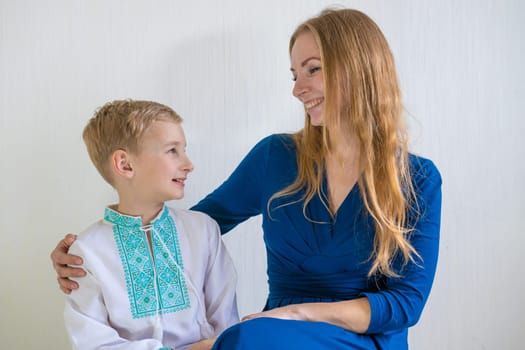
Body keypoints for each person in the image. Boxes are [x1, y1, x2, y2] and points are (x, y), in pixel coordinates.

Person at [52, 8, 441, 350]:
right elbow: (195, 229)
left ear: (358, 69)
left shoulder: (419, 179)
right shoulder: (276, 157)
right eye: (294, 73)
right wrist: (94, 251)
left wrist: (297, 314)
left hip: (360, 341)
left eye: (313, 69)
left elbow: (406, 303)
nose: (297, 88)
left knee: (240, 339)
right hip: (272, 340)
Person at [62, 100, 238, 350]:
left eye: (184, 149)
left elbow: (227, 324)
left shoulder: (203, 231)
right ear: (125, 164)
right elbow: (93, 343)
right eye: (172, 150)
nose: (188, 164)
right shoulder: (87, 252)